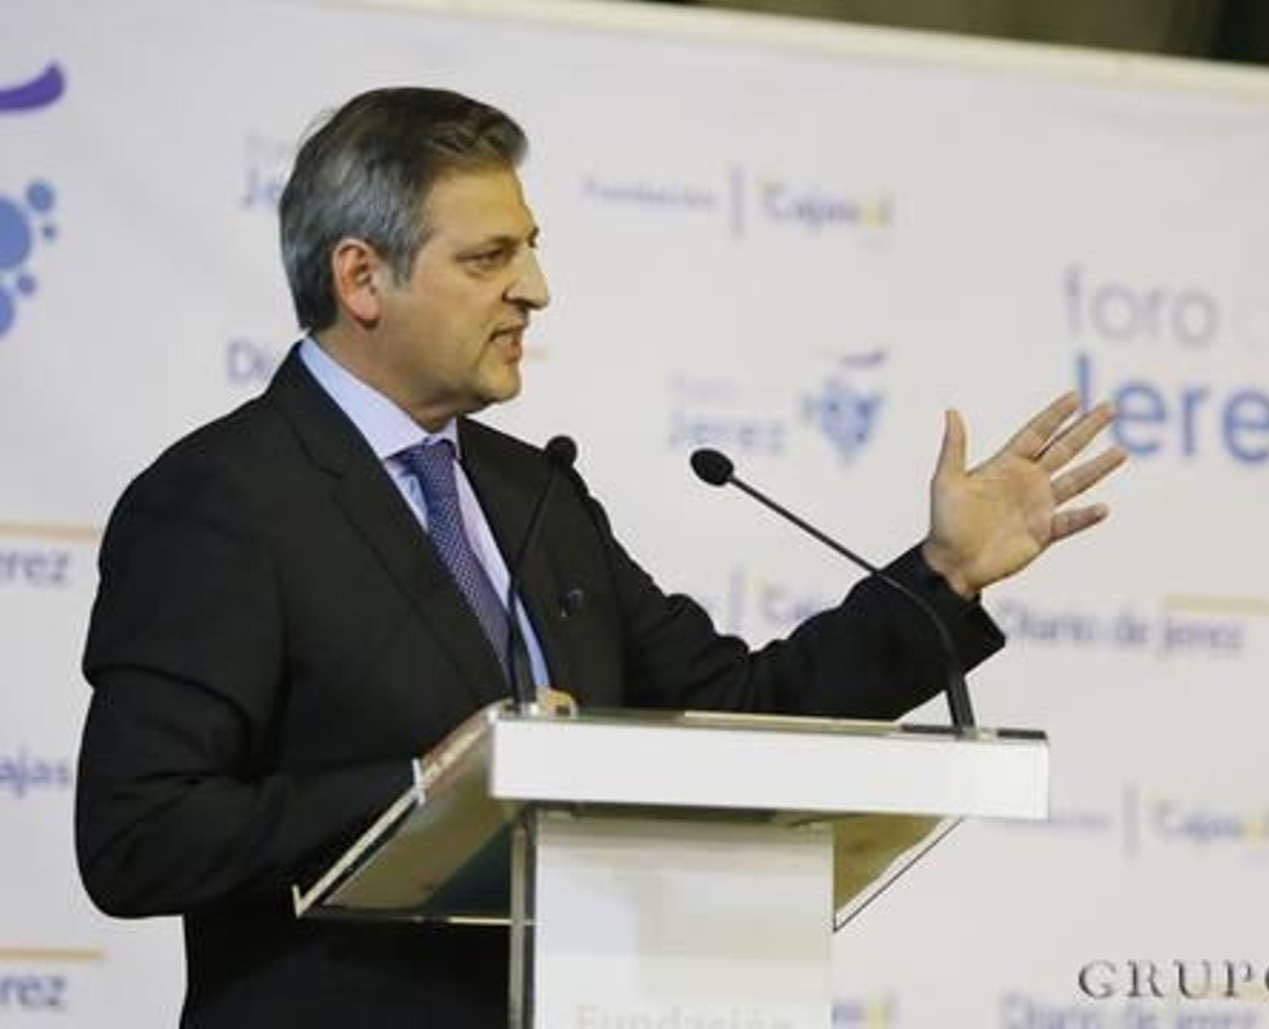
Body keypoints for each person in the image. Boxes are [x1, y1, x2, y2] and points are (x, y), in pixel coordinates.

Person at [74, 87, 1125, 1028]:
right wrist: (419, 787)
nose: (533, 289)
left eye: (529, 249)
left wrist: (941, 574)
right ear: (361, 277)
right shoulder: (221, 501)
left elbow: (744, 711)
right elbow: (139, 831)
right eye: (488, 258)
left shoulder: (536, 492)